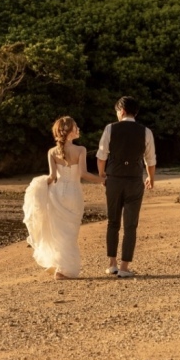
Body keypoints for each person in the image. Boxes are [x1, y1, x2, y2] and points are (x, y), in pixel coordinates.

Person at [23, 116, 104, 280]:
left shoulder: (51, 152)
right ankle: (63, 269)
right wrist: (103, 180)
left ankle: (60, 266)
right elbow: (83, 174)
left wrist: (38, 186)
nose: (78, 129)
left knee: (58, 231)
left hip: (57, 193)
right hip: (74, 193)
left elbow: (52, 177)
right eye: (76, 127)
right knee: (70, 232)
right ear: (69, 131)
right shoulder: (80, 150)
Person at [96, 96, 156, 278]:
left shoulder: (110, 128)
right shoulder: (146, 132)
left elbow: (101, 155)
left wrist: (102, 175)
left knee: (112, 222)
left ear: (121, 111)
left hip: (114, 179)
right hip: (134, 180)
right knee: (131, 225)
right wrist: (151, 178)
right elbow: (150, 159)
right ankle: (124, 266)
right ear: (134, 112)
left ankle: (112, 264)